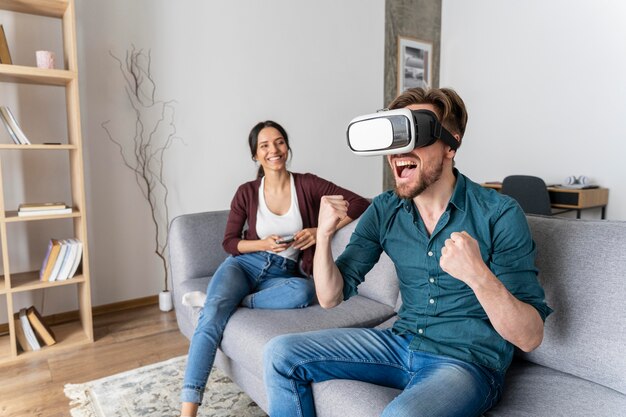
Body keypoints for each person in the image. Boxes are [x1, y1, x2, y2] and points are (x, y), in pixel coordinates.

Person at [263, 88, 553, 417]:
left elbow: (529, 337)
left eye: (415, 134)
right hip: (399, 344)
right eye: (395, 138)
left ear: (450, 145)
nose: (400, 150)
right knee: (279, 352)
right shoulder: (386, 209)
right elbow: (331, 297)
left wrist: (478, 275)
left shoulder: (498, 213)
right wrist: (325, 235)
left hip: (465, 363)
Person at [180, 120, 370, 417]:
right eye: (265, 145)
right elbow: (230, 243)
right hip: (243, 266)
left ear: (287, 147)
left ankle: (231, 300)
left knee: (306, 291)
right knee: (211, 318)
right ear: (255, 155)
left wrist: (319, 230)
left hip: (284, 274)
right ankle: (188, 410)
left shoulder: (306, 184)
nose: (274, 150)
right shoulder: (246, 192)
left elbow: (359, 203)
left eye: (279, 142)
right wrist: (263, 244)